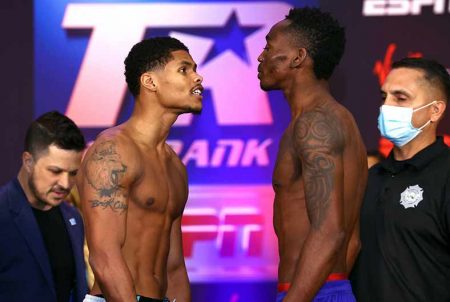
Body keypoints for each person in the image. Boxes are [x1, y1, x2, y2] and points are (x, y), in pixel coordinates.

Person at [77, 37, 203, 302]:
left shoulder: (175, 167)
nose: (197, 78)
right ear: (150, 82)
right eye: (184, 69)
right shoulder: (112, 153)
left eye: (195, 69)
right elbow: (104, 256)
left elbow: (175, 266)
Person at [257, 7, 368, 302]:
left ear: (298, 57)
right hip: (324, 289)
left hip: (312, 293)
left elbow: (331, 232)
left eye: (269, 46)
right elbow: (352, 240)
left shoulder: (314, 124)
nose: (261, 56)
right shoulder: (339, 120)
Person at [351, 58, 450, 301]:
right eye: (384, 97)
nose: (387, 106)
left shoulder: (446, 175)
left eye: (400, 98)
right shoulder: (369, 178)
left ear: (435, 110)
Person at [0, 111, 88, 302]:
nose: (65, 183)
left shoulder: (73, 218)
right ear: (28, 161)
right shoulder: (2, 214)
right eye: (55, 171)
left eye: (73, 173)